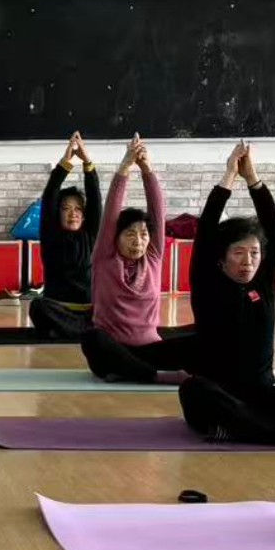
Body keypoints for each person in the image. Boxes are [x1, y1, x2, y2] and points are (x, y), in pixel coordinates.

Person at [179, 142, 275, 445]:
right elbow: (207, 228)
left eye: (254, 253)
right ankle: (274, 434)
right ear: (221, 258)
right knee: (193, 390)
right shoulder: (208, 283)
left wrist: (253, 178)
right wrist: (229, 176)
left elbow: (274, 228)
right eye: (238, 253)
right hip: (219, 397)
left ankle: (239, 428)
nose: (248, 261)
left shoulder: (261, 284)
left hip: (262, 397)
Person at [80, 135, 192, 382]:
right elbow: (111, 210)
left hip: (150, 350)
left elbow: (157, 210)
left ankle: (127, 372)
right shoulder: (105, 257)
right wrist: (125, 167)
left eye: (143, 235)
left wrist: (147, 169)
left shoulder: (153, 256)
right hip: (111, 350)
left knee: (200, 339)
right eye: (130, 234)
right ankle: (155, 377)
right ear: (115, 237)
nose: (138, 241)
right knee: (92, 338)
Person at [28, 132, 100, 340]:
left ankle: (66, 331)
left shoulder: (91, 235)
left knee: (112, 306)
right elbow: (50, 194)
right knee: (37, 306)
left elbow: (95, 200)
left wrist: (87, 163)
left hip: (88, 311)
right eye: (66, 208)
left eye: (77, 209)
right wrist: (65, 163)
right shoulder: (51, 236)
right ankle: (78, 330)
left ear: (84, 216)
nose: (73, 213)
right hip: (57, 308)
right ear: (57, 213)